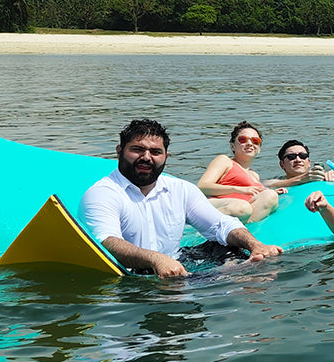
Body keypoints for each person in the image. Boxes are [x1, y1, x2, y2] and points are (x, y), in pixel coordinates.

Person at [80, 119, 283, 278]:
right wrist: (156, 260)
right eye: (137, 149)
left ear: (166, 157)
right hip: (128, 273)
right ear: (119, 152)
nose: (147, 157)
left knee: (234, 245)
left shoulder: (180, 189)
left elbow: (221, 224)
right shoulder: (103, 193)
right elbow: (105, 242)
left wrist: (255, 245)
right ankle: (227, 277)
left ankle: (235, 274)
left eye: (155, 152)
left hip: (177, 261)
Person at [196, 121, 280, 223]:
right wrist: (239, 189)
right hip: (221, 205)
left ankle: (243, 231)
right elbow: (202, 187)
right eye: (242, 139)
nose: (249, 143)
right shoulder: (225, 161)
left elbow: (252, 194)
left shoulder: (254, 175)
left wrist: (267, 191)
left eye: (255, 141)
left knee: (270, 196)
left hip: (243, 212)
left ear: (259, 149)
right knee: (242, 208)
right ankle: (202, 233)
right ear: (232, 146)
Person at [269, 139, 334, 188]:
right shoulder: (277, 182)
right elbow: (267, 185)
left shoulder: (319, 176)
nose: (298, 160)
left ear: (309, 162)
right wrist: (303, 178)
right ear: (282, 164)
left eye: (302, 156)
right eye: (291, 156)